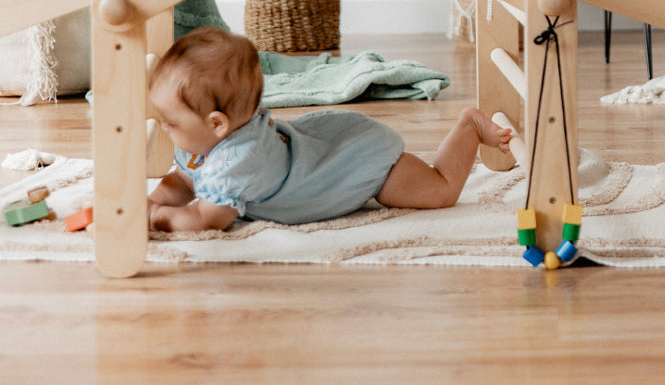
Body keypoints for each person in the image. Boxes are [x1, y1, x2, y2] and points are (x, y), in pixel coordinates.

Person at [146, 26, 512, 232]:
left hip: (355, 163)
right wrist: (145, 203)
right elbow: (183, 180)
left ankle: (469, 126)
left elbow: (203, 220)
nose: (164, 127)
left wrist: (156, 218)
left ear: (217, 123)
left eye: (172, 121)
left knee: (441, 190)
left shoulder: (238, 161)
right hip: (325, 146)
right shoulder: (211, 136)